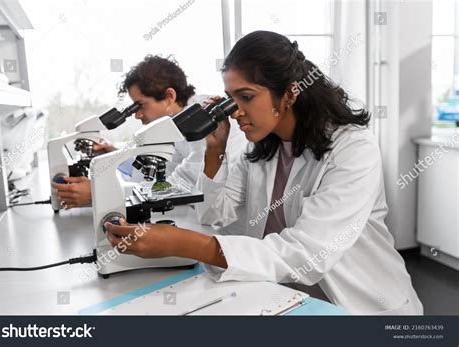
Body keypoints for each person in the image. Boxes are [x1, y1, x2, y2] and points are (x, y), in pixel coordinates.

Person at [104, 31, 423, 315]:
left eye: (246, 97)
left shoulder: (353, 149)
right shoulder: (262, 146)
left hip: (362, 308)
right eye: (231, 99)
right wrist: (214, 152)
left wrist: (183, 244)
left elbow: (306, 254)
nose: (237, 111)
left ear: (289, 94)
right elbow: (218, 215)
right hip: (284, 296)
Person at [53, 55, 245, 209]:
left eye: (141, 105)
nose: (136, 115)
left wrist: (101, 194)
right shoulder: (174, 123)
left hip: (227, 231)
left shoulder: (204, 119)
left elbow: (185, 185)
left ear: (169, 96)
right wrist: (113, 154)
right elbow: (162, 173)